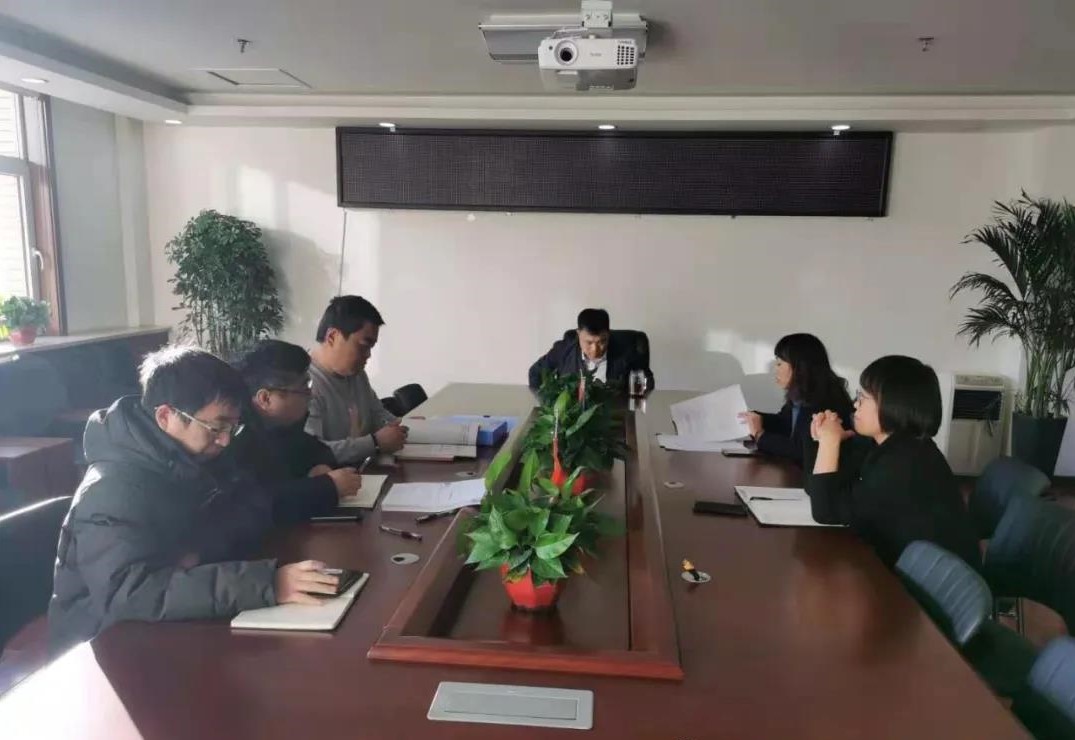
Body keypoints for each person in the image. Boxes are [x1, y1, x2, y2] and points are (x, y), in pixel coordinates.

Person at [49, 346, 340, 653]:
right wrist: (268, 584)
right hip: (102, 643)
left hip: (173, 618)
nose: (225, 440)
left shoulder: (195, 455)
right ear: (166, 416)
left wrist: (199, 550)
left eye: (232, 427)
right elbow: (130, 593)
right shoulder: (111, 489)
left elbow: (247, 508)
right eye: (217, 427)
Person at [805, 355, 979, 569]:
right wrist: (825, 441)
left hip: (929, 584)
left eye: (863, 397)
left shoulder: (903, 464)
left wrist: (829, 441)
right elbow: (821, 489)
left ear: (892, 405)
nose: (855, 404)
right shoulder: (893, 445)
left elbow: (824, 510)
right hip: (907, 570)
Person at [234, 340, 364, 522]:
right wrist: (327, 487)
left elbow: (318, 449)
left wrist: (320, 466)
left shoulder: (284, 424)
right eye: (303, 388)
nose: (311, 395)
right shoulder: (234, 436)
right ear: (265, 398)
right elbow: (259, 501)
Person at [306, 295, 408, 464]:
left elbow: (378, 415)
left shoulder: (357, 374)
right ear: (332, 337)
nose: (368, 355)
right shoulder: (302, 385)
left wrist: (402, 426)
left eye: (371, 347)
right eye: (363, 345)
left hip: (364, 471)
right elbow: (313, 453)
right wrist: (374, 443)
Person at [740, 333, 853, 464]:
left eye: (779, 363)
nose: (775, 369)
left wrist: (760, 435)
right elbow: (785, 423)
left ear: (799, 367)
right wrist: (753, 418)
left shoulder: (826, 401)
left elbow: (802, 450)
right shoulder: (803, 394)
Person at [527, 308, 654, 392]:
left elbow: (647, 381)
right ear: (578, 334)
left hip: (614, 415)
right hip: (574, 417)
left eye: (602, 342)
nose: (595, 349)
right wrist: (548, 401)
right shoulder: (564, 349)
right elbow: (535, 373)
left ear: (608, 334)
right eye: (589, 342)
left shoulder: (627, 351)